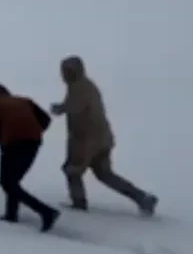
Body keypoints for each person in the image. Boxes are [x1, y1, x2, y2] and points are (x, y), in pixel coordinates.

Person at [52, 56, 158, 216]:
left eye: (66, 71)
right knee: (104, 174)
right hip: (101, 139)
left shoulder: (79, 88)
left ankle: (79, 203)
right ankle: (141, 197)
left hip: (86, 140)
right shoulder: (86, 85)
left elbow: (75, 107)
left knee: (72, 170)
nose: (63, 75)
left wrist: (60, 109)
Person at [0, 83, 59, 232]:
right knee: (12, 181)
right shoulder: (24, 100)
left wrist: (1, 139)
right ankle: (11, 214)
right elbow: (46, 119)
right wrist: (33, 131)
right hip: (33, 141)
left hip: (13, 142)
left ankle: (46, 212)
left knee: (6, 182)